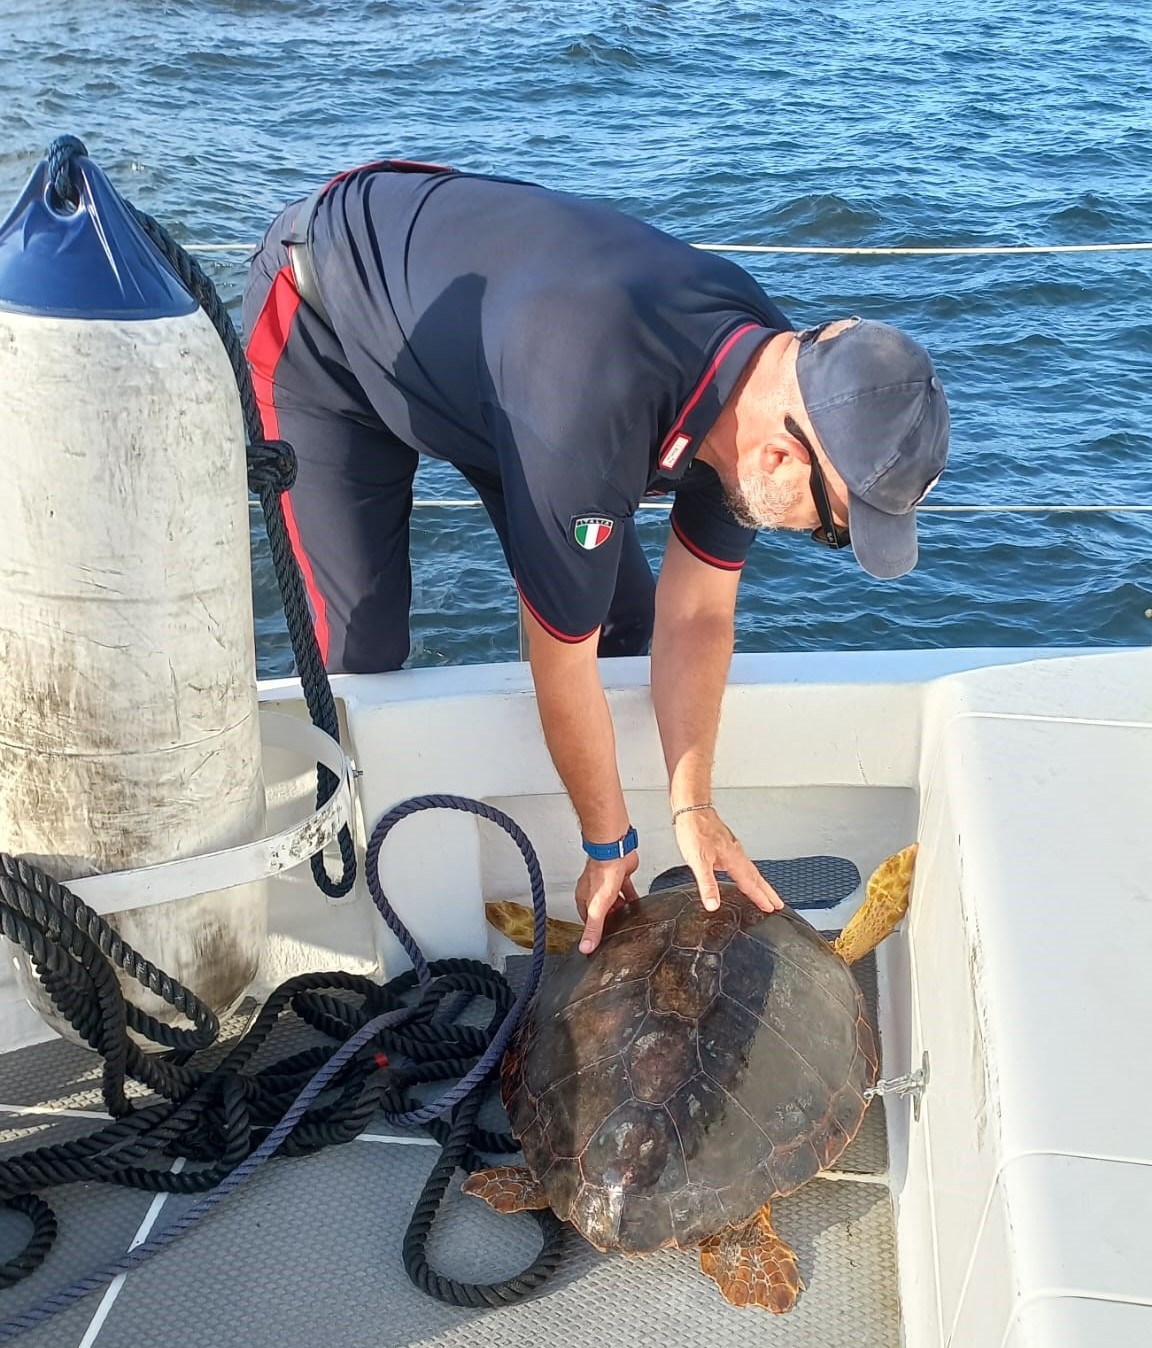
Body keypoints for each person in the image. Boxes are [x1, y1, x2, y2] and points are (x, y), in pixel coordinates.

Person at [243, 159, 950, 954]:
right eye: (832, 529)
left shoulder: (771, 385)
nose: (819, 540)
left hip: (501, 366)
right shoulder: (590, 409)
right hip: (328, 316)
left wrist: (694, 805)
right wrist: (607, 843)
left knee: (630, 627)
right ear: (786, 459)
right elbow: (561, 660)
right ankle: (338, 926)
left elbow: (698, 612)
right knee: (361, 651)